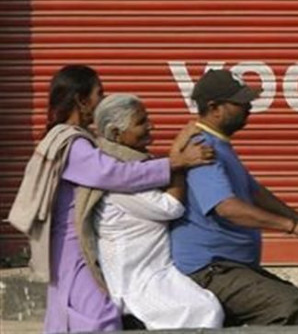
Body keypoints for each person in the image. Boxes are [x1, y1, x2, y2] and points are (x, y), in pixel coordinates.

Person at [7, 65, 213, 333]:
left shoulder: (79, 140)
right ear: (82, 100)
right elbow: (114, 174)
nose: (102, 100)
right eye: (98, 94)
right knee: (97, 315)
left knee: (73, 310)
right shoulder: (74, 144)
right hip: (72, 246)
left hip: (80, 242)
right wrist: (174, 163)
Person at [170, 69, 298, 326]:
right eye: (240, 102)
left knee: (295, 303)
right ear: (214, 108)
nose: (248, 107)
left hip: (231, 267)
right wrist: (293, 227)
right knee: (288, 306)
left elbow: (256, 193)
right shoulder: (201, 148)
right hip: (209, 269)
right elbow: (227, 207)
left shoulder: (220, 145)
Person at [92, 93, 224, 329]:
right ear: (115, 134)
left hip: (157, 271)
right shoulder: (116, 176)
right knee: (204, 310)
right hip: (137, 282)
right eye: (141, 122)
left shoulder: (134, 165)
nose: (151, 125)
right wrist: (180, 160)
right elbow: (171, 207)